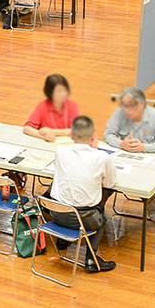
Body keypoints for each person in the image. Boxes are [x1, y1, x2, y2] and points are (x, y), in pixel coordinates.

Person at [47, 115, 117, 273]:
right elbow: (110, 184)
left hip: (56, 213)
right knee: (100, 217)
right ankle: (91, 259)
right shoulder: (102, 157)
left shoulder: (60, 151)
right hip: (85, 219)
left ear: (71, 135)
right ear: (93, 136)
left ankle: (62, 241)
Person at [104, 87, 155, 153]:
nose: (126, 110)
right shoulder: (120, 112)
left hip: (150, 156)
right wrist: (121, 144)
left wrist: (144, 147)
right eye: (124, 105)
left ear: (142, 104)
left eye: (130, 105)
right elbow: (108, 134)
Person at [24, 73, 79, 141]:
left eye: (65, 90)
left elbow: (76, 130)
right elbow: (27, 128)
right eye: (59, 91)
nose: (63, 94)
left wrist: (51, 131)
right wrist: (43, 136)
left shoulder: (71, 105)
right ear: (50, 92)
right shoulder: (42, 106)